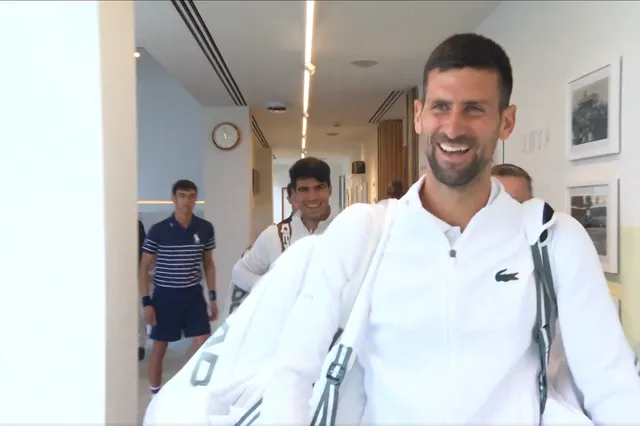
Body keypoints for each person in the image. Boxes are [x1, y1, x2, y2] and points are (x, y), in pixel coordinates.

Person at [258, 33, 640, 424]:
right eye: (441, 107)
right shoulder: (364, 231)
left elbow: (611, 386)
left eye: (474, 109)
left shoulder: (553, 239)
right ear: (420, 115)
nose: (453, 128)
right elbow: (294, 369)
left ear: (506, 122)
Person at [139, 179, 218, 395]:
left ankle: (198, 393)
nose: (187, 201)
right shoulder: (158, 230)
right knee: (159, 348)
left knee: (205, 345)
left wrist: (212, 297)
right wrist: (147, 303)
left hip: (193, 296)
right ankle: (156, 394)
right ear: (174, 199)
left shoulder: (204, 228)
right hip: (165, 296)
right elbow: (144, 266)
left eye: (191, 196)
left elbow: (208, 264)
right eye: (182, 196)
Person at [231, 157, 335, 293]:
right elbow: (239, 272)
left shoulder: (347, 231)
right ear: (295, 194)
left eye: (319, 188)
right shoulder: (274, 236)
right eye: (304, 189)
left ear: (330, 190)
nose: (312, 197)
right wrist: (272, 289)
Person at [138, 219, 147, 361]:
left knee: (138, 312)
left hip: (136, 274)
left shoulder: (137, 225)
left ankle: (139, 345)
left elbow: (144, 250)